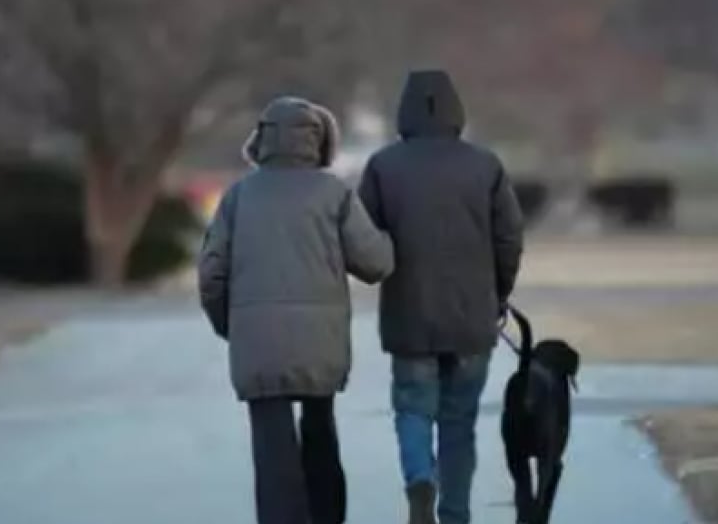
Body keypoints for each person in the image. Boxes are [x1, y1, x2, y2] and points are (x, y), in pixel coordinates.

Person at [199, 96, 394, 524]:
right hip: (319, 342)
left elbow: (211, 273)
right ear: (319, 142)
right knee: (319, 425)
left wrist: (230, 325)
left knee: (272, 445)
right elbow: (376, 263)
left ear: (261, 140)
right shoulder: (334, 194)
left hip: (258, 341)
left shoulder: (238, 197)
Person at [358, 70, 525, 524]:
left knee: (413, 407)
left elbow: (364, 238)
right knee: (459, 423)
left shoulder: (382, 166)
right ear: (456, 111)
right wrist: (498, 292)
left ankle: (419, 477)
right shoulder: (485, 165)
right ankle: (454, 513)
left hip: (409, 314)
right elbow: (509, 237)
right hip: (472, 317)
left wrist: (380, 271)